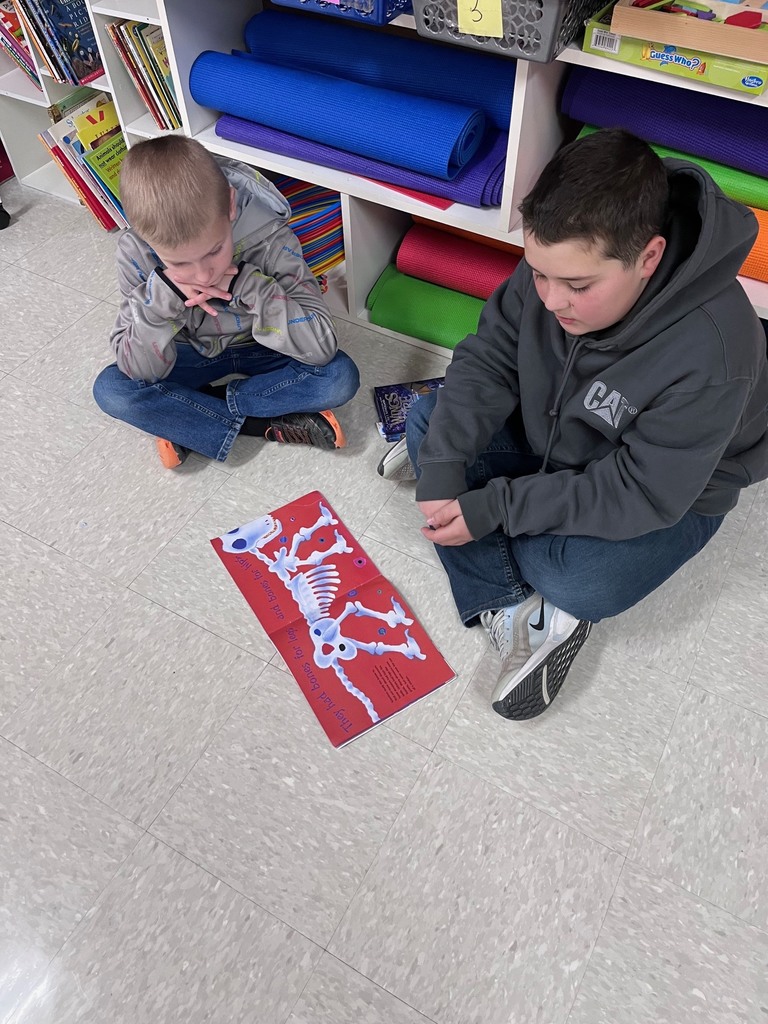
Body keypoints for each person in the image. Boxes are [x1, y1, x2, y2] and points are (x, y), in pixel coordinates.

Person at [402, 127, 768, 721]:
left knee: (574, 578)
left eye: (576, 286)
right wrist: (446, 467)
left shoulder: (714, 350)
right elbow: (490, 356)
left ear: (648, 257)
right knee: (428, 428)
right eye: (537, 274)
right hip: (557, 428)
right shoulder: (558, 264)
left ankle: (542, 600)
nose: (549, 299)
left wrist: (494, 507)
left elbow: (642, 492)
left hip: (674, 492)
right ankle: (511, 605)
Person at [93, 136, 359, 467]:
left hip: (266, 350)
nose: (203, 276)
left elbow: (322, 346)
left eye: (215, 250)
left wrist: (252, 287)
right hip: (189, 354)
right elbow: (135, 368)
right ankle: (258, 422)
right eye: (179, 263)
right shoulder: (134, 253)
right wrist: (161, 301)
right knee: (111, 390)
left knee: (339, 377)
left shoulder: (272, 237)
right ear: (146, 238)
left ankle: (190, 413)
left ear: (231, 206)